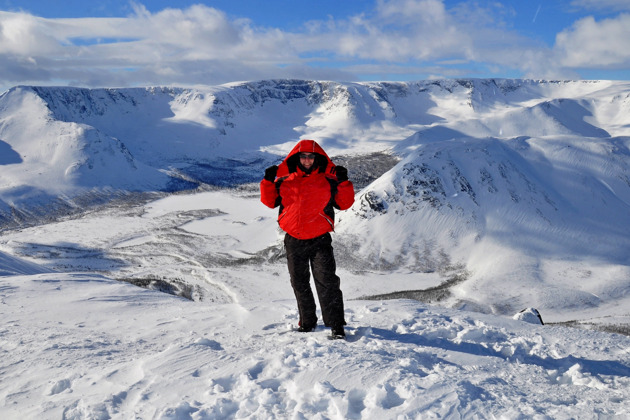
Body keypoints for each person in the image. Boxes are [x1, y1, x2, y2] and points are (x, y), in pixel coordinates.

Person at [260, 139, 355, 339]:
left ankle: (336, 325)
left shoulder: (328, 181)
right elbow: (270, 202)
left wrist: (344, 182)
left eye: (311, 157)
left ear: (317, 158)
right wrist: (267, 182)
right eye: (303, 156)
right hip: (294, 239)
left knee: (327, 282)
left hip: (320, 239)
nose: (307, 160)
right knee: (299, 282)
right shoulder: (285, 181)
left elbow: (344, 204)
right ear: (296, 158)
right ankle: (307, 322)